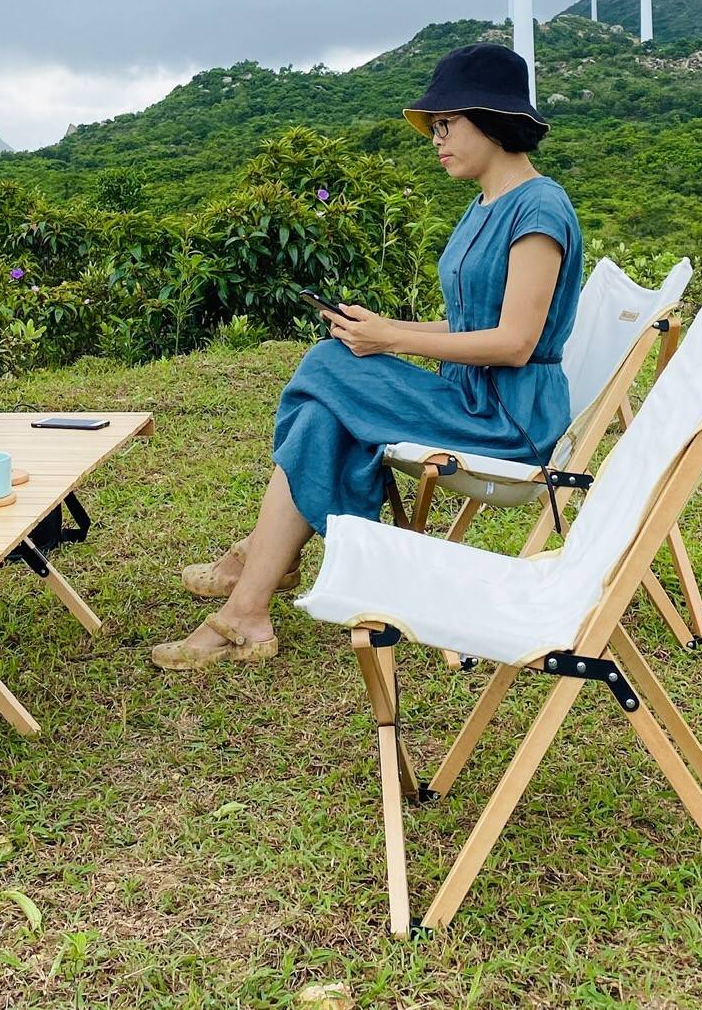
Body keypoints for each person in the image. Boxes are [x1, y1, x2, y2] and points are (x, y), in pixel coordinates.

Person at [150, 42, 584, 670]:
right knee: (328, 406)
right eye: (433, 128)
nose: (436, 140)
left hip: (507, 419)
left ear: (490, 119)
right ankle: (248, 605)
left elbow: (515, 342)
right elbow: (471, 322)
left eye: (446, 125)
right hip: (466, 395)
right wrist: (385, 326)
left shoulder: (539, 208)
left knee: (329, 371)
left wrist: (389, 340)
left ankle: (259, 561)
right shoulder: (483, 205)